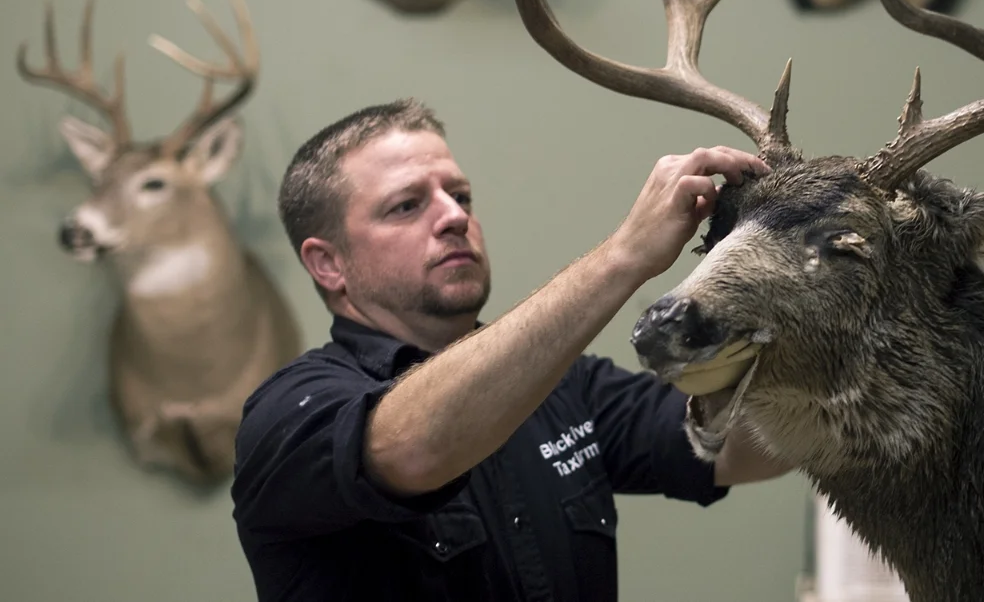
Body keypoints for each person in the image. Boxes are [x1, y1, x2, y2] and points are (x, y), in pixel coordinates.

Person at [231, 99, 789, 602]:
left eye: (461, 195)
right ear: (328, 264)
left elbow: (744, 449)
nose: (453, 216)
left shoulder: (566, 388)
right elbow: (415, 447)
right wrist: (624, 255)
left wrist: (814, 297)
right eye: (405, 206)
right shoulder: (288, 415)